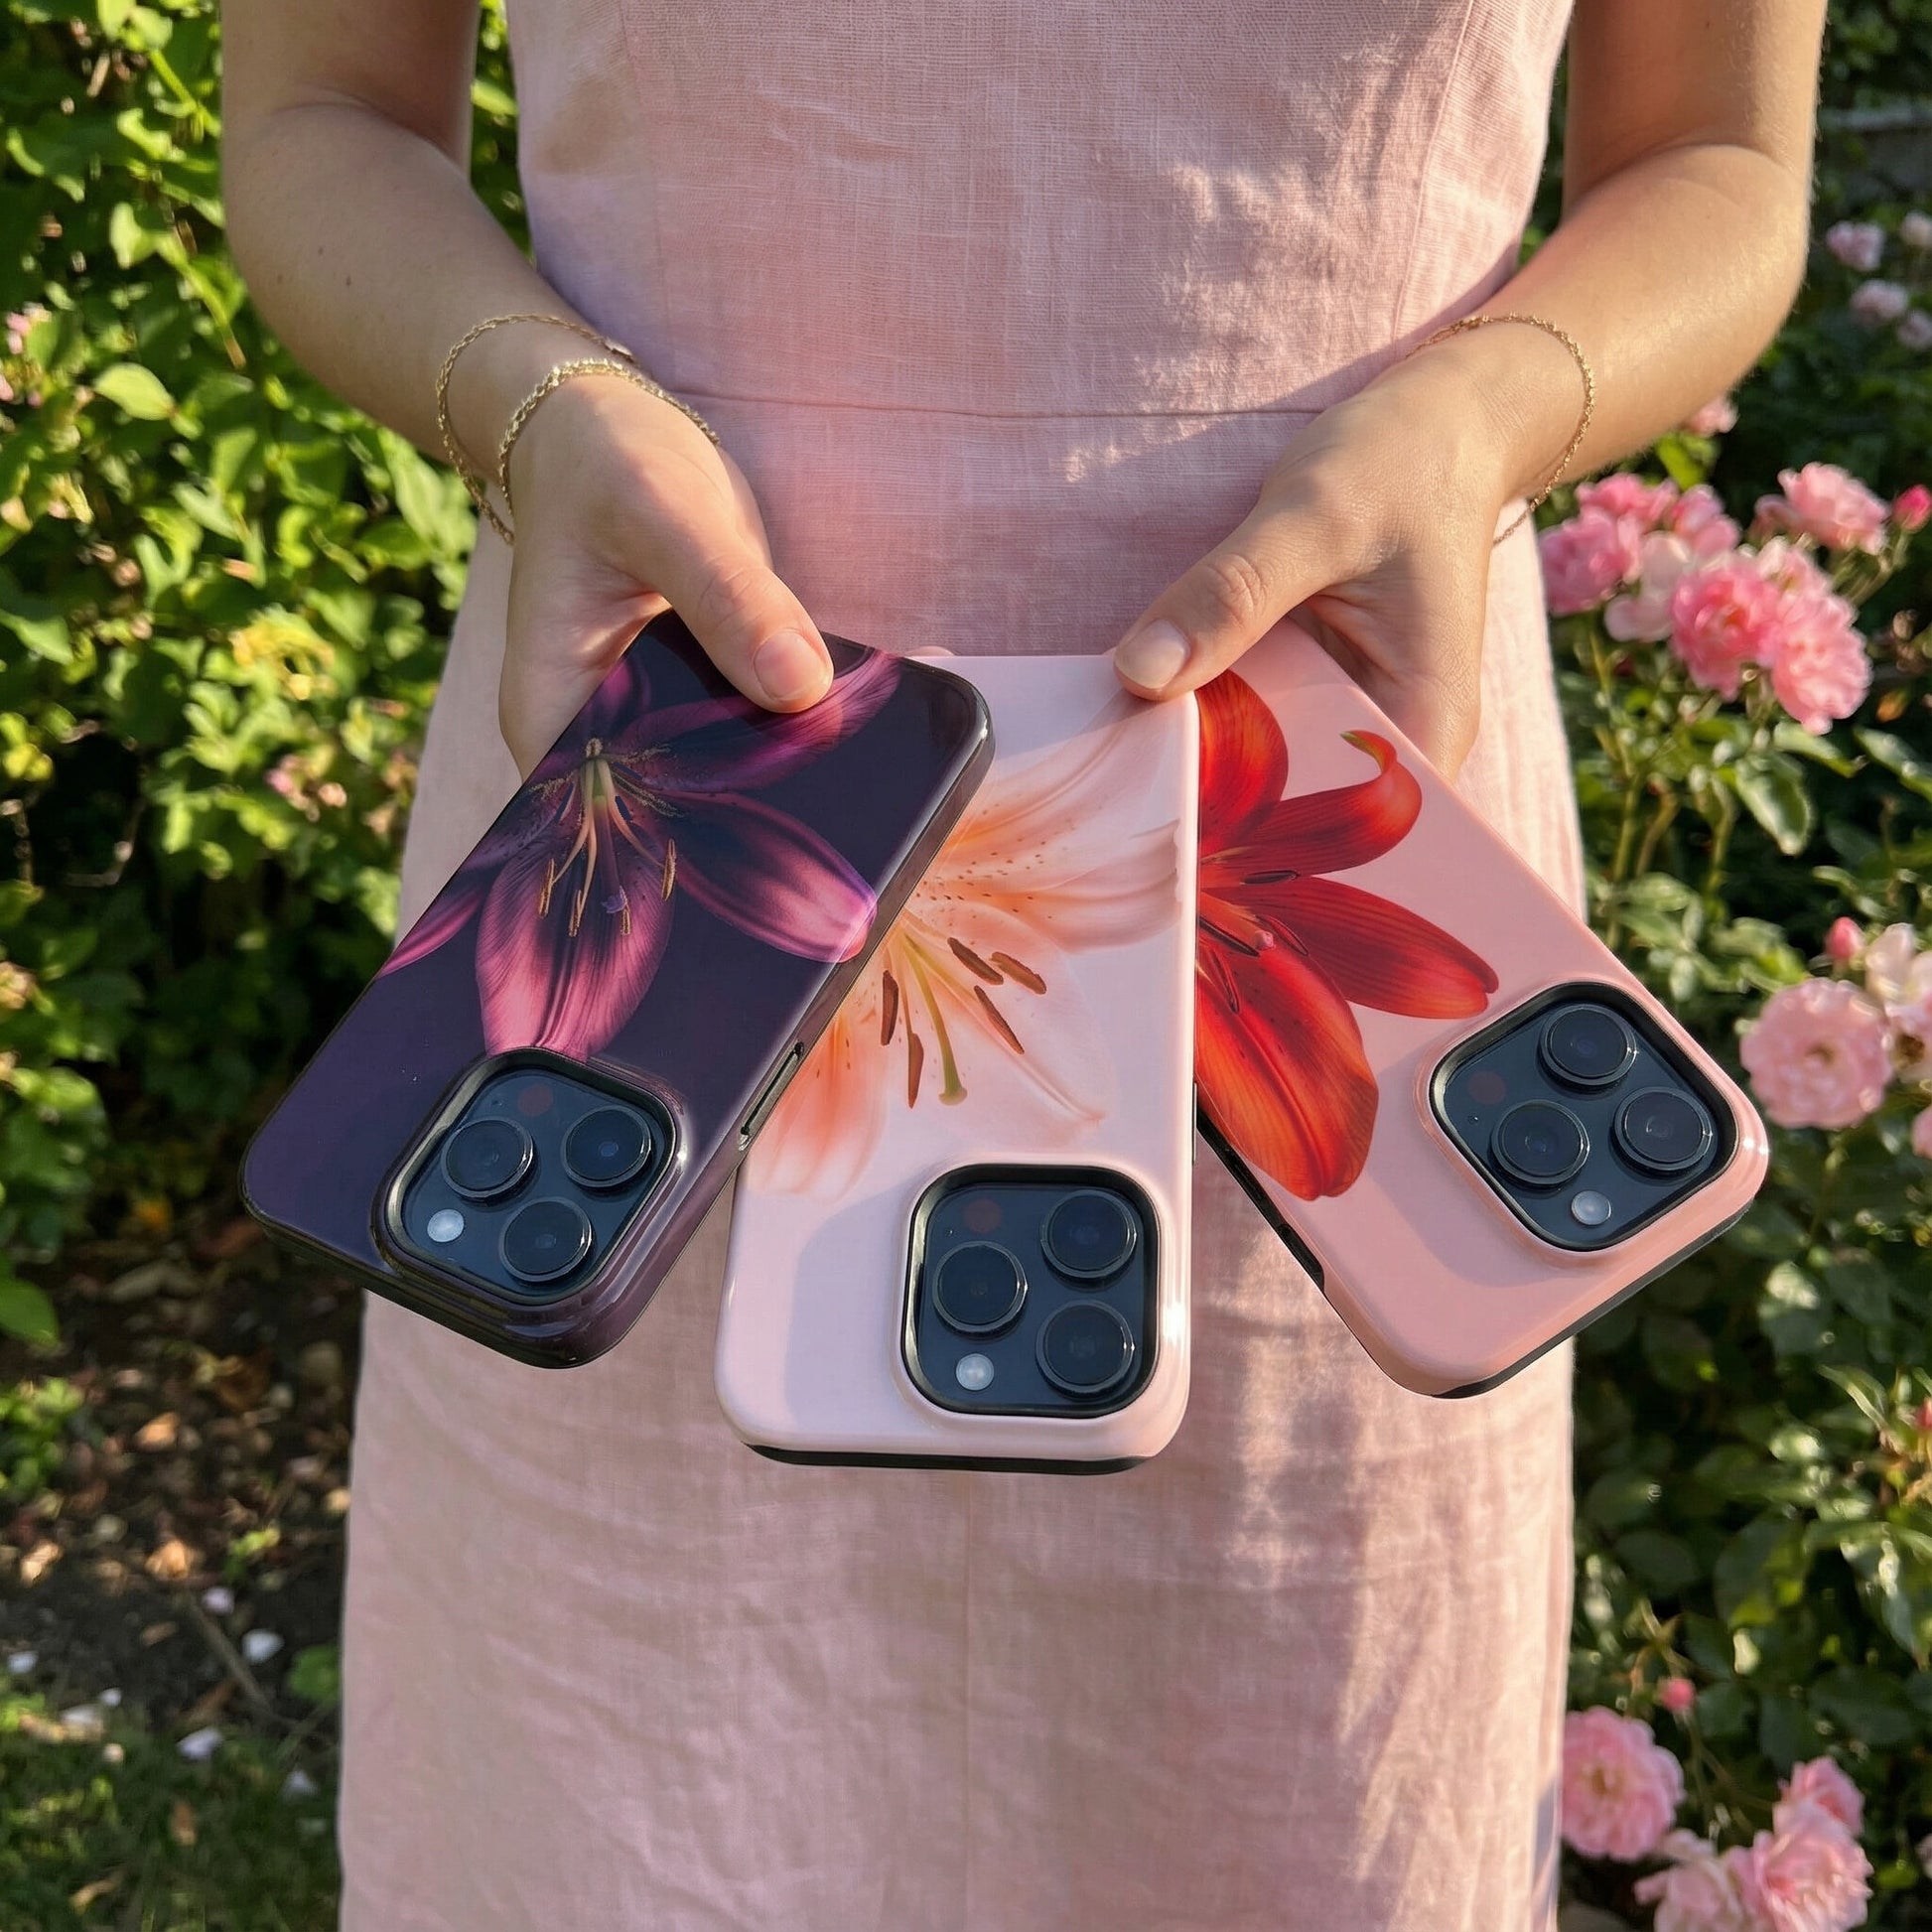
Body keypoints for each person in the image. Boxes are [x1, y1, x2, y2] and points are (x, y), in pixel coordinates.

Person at [222, 3, 1826, 1924]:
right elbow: (323, 112)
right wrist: (529, 399)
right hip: (668, 912)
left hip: (1315, 949)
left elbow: (1716, 166)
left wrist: (1484, 414)